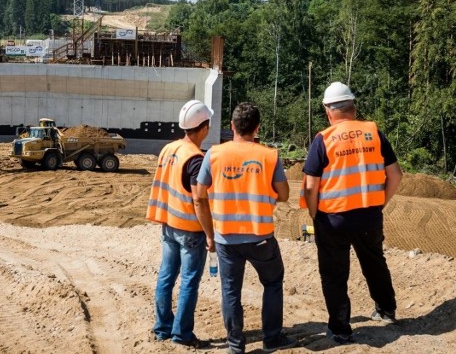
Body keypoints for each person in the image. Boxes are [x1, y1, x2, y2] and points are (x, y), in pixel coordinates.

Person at [300, 81, 403, 344]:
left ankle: (341, 329)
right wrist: (380, 202)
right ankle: (386, 309)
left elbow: (311, 185)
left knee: (334, 274)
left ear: (328, 110)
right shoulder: (373, 133)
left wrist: (314, 213)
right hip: (369, 215)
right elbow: (395, 175)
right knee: (374, 262)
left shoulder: (323, 139)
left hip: (332, 219)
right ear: (353, 107)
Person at [195, 102, 297, 354]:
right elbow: (284, 195)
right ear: (257, 128)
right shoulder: (269, 156)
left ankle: (235, 345)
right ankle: (272, 338)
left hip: (226, 239)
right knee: (272, 283)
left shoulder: (214, 154)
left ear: (232, 127)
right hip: (261, 237)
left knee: (231, 291)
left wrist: (209, 235)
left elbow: (199, 196)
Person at [146, 99, 214, 349]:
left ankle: (162, 327)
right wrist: (210, 234)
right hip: (190, 230)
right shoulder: (195, 158)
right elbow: (199, 199)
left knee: (165, 277)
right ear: (204, 127)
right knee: (188, 282)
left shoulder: (169, 149)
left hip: (169, 225)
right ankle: (182, 334)